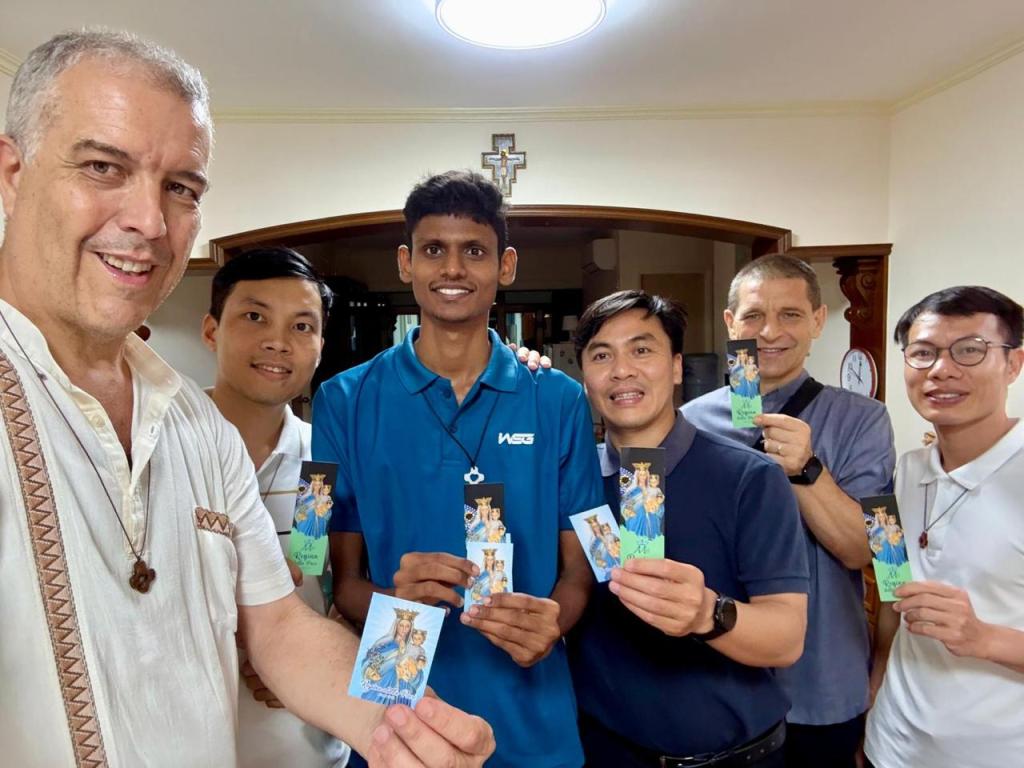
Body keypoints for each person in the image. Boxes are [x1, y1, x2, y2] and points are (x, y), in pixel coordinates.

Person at [0, 30, 493, 767]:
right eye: (104, 167)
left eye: (182, 188)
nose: (149, 221)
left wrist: (400, 727)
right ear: (12, 173)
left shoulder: (196, 426)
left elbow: (281, 626)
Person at [314, 170, 603, 768]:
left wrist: (554, 622)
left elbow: (581, 570)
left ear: (505, 266)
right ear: (406, 262)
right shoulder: (343, 400)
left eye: (474, 251)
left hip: (533, 719)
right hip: (400, 711)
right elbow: (341, 584)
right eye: (433, 250)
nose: (452, 269)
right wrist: (394, 597)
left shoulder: (558, 399)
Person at [568, 290, 809, 768]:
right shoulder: (574, 481)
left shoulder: (749, 478)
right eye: (601, 356)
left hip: (733, 759)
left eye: (642, 350)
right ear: (585, 379)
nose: (622, 371)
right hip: (605, 752)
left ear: (677, 367)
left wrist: (706, 613)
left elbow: (787, 638)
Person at [682, 254, 895, 768]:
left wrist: (805, 468)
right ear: (730, 322)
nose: (770, 332)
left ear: (818, 321)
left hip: (822, 687)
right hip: (713, 681)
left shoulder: (867, 420)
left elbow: (871, 552)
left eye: (791, 315)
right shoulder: (689, 422)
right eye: (754, 315)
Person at [201, 247, 350, 767]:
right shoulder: (158, 453)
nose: (278, 342)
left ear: (320, 346)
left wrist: (328, 648)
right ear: (211, 330)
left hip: (309, 750)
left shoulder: (324, 463)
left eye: (302, 326)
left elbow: (353, 592)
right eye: (255, 316)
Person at [865, 286, 1024, 768]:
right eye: (923, 353)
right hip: (889, 746)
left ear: (1014, 364)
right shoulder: (904, 471)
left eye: (969, 350)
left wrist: (983, 637)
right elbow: (891, 595)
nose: (941, 369)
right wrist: (873, 700)